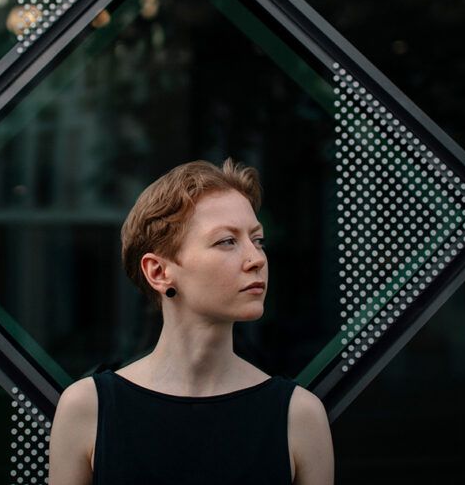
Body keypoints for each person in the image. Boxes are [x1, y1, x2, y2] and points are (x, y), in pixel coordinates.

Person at [48, 158, 335, 485]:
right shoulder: (88, 409)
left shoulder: (299, 417)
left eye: (258, 240)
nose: (256, 259)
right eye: (227, 241)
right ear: (159, 271)